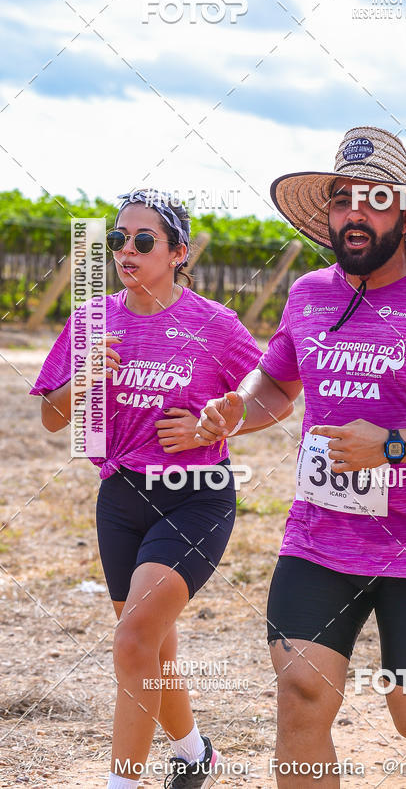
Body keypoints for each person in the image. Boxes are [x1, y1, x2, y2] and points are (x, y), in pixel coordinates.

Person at [195, 127, 406, 788]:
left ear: (405, 212)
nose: (354, 214)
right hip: (319, 537)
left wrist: (392, 447)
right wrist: (234, 410)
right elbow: (276, 384)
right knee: (302, 695)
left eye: (372, 199)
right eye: (342, 199)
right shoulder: (309, 293)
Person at [30, 189, 292, 789]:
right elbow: (51, 416)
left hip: (195, 494)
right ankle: (196, 754)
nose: (127, 249)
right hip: (120, 497)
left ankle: (123, 783)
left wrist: (216, 421)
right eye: (118, 239)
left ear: (177, 252)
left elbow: (271, 397)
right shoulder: (93, 319)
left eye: (143, 240)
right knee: (153, 648)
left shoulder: (213, 324)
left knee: (133, 639)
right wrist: (84, 380)